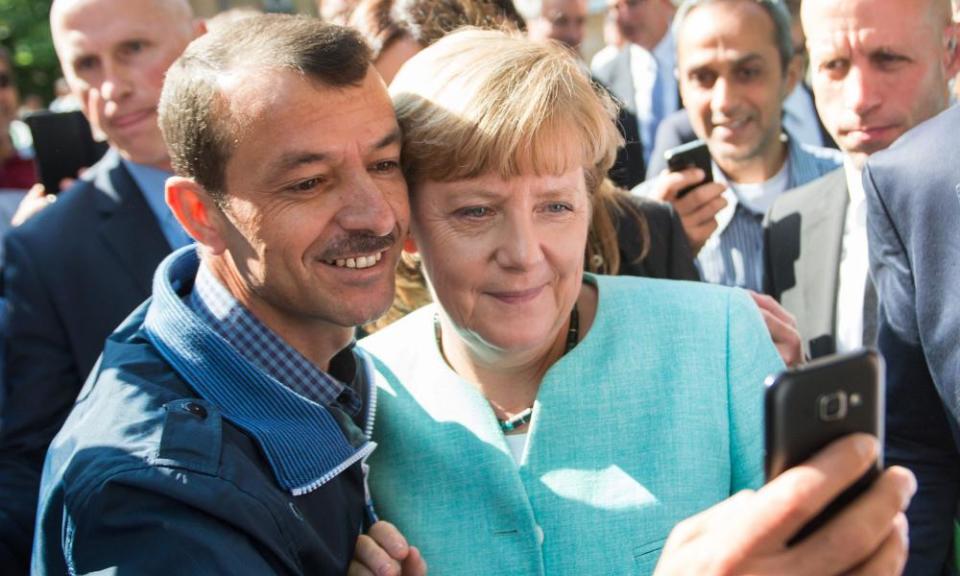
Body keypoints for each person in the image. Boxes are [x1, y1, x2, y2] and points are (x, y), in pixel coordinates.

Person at [360, 28, 913, 574]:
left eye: (555, 207)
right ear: (406, 223)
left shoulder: (719, 340)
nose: (524, 254)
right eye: (476, 211)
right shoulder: (359, 398)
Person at [33, 14, 426, 575]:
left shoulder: (325, 362)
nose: (376, 214)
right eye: (309, 182)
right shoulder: (158, 496)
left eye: (385, 163)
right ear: (200, 214)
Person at [0, 0, 204, 570]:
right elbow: (32, 458)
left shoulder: (300, 175)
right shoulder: (47, 249)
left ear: (199, 41)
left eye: (133, 50)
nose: (111, 85)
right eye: (86, 64)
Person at [766, 0, 960, 570]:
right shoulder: (789, 223)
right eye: (833, 66)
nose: (859, 98)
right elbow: (917, 443)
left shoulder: (932, 186)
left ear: (952, 51)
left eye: (889, 59)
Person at [639, 0, 839, 294]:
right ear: (681, 86)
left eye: (747, 73)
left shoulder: (852, 189)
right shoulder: (642, 221)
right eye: (703, 77)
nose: (725, 101)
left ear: (791, 77)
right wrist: (658, 255)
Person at [592, 0, 678, 166]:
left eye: (633, 3)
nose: (623, 16)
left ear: (666, 4)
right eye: (614, 8)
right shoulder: (605, 74)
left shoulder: (698, 59)